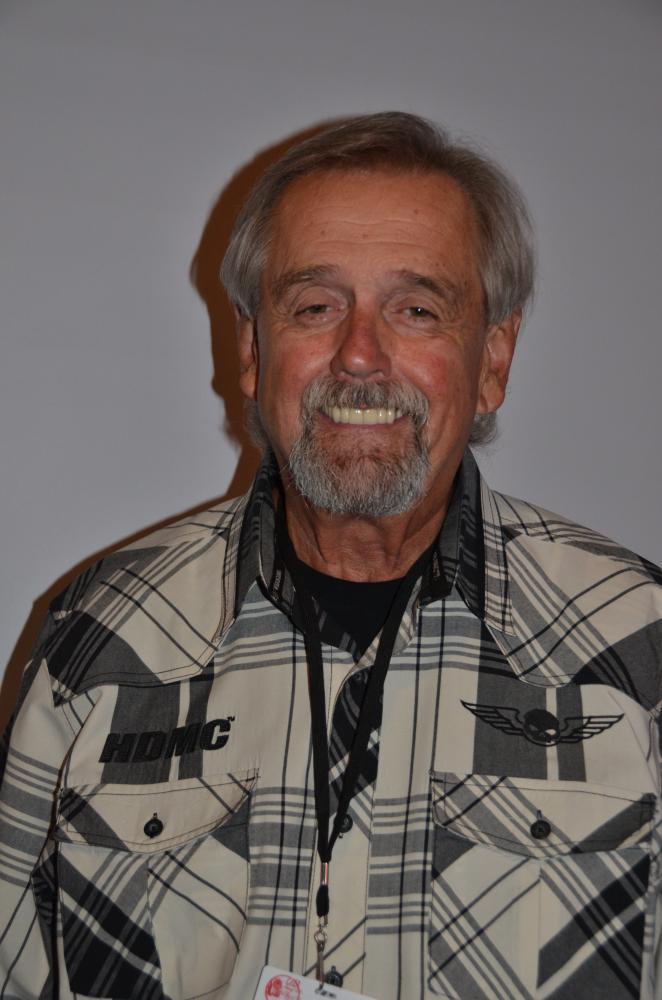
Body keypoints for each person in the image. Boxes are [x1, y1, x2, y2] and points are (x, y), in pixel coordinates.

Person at [0, 112, 660, 1000]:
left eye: (416, 309)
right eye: (315, 307)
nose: (358, 355)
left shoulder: (638, 643)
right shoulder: (98, 638)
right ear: (252, 349)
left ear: (493, 360)